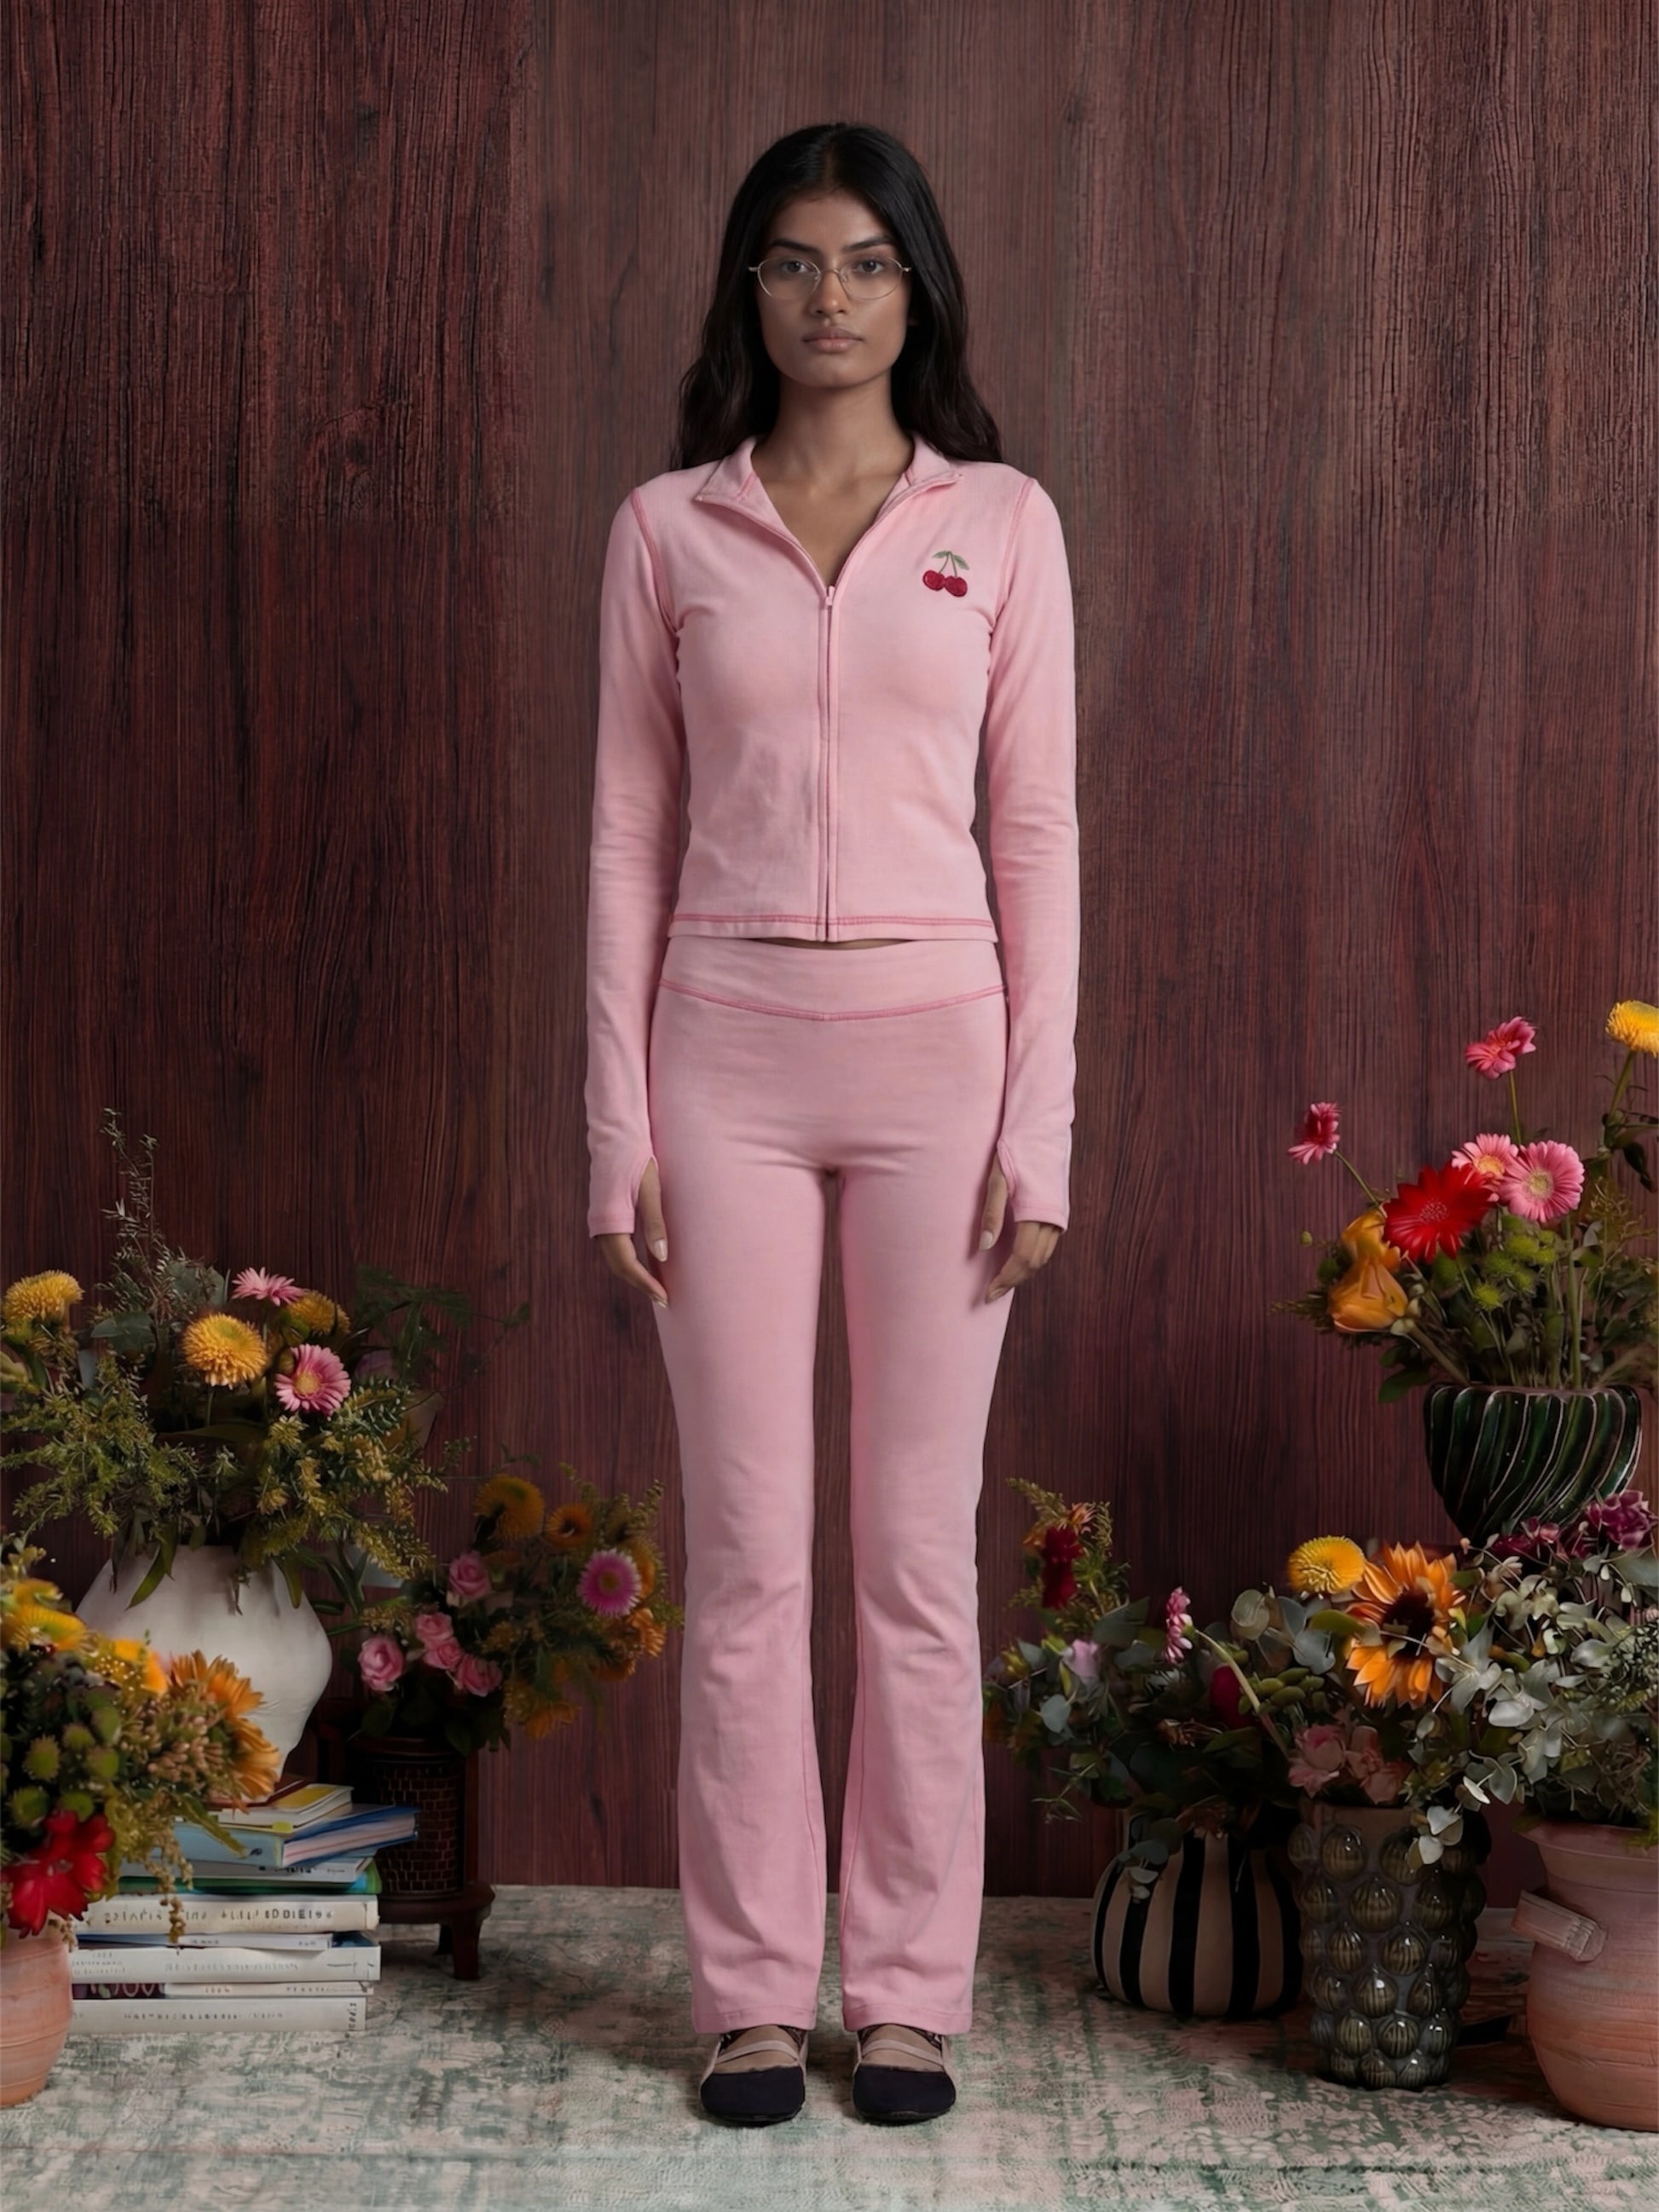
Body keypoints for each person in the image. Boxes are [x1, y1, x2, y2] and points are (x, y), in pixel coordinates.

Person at [583, 120, 1079, 2126]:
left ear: (918, 289)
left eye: (867, 263)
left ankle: (901, 1987)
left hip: (938, 1059)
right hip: (720, 1054)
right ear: (747, 292)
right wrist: (608, 1113)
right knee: (748, 1548)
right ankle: (744, 1992)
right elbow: (628, 835)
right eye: (791, 264)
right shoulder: (664, 528)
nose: (829, 299)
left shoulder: (1003, 521)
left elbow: (1036, 831)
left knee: (910, 1555)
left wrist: (1038, 1124)